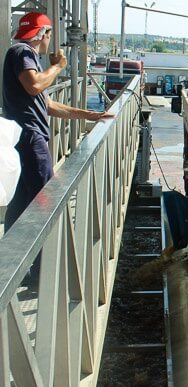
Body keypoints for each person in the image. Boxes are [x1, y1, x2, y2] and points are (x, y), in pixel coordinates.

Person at [3, 12, 113, 281]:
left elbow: (47, 105)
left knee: (22, 203)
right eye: (49, 34)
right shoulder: (22, 53)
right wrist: (58, 67)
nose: (51, 40)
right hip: (31, 139)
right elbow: (35, 86)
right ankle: (43, 273)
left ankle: (10, 264)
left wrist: (89, 115)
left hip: (24, 138)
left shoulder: (21, 55)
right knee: (45, 204)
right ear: (43, 34)